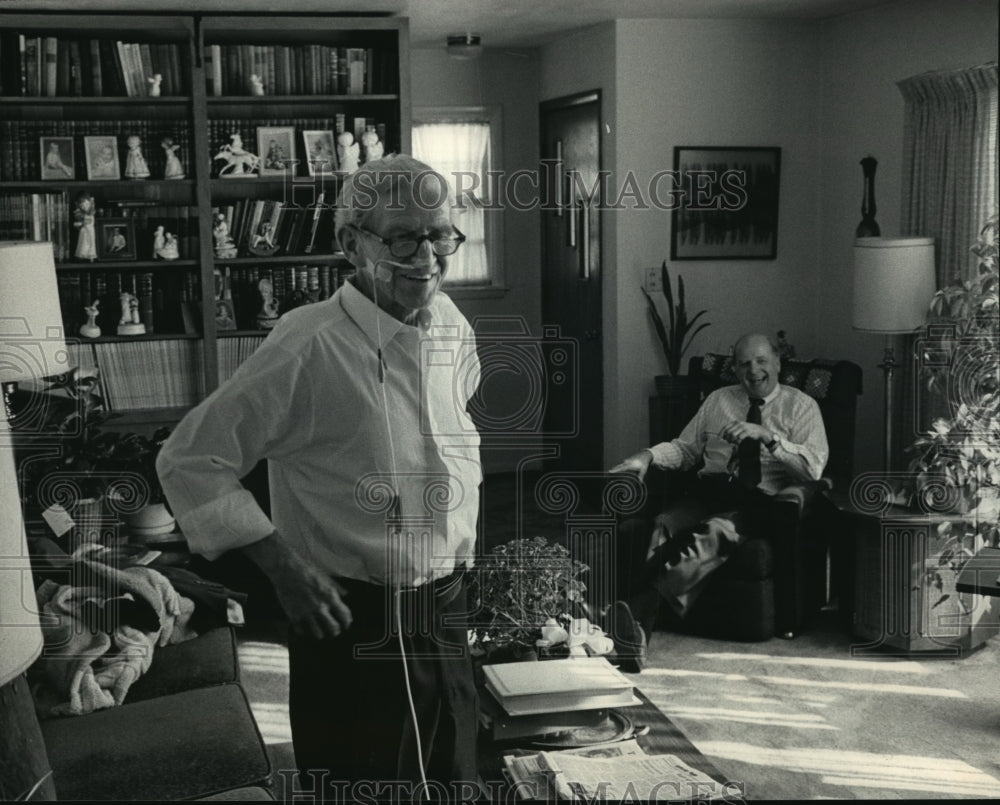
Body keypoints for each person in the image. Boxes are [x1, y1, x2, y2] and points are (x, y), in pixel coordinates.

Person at [156, 154, 481, 800]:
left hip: (444, 610)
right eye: (402, 237)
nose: (427, 256)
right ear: (351, 244)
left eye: (440, 234)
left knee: (455, 776)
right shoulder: (307, 344)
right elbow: (190, 459)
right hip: (352, 621)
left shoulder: (453, 325)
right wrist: (282, 565)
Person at [609, 333, 829, 631]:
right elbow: (685, 449)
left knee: (715, 532)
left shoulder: (801, 406)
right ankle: (633, 619)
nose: (753, 371)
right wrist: (647, 456)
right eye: (744, 364)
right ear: (735, 370)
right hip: (709, 491)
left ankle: (634, 617)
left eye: (762, 361)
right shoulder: (718, 400)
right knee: (663, 523)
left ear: (778, 363)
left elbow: (812, 469)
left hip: (760, 500)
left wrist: (769, 438)